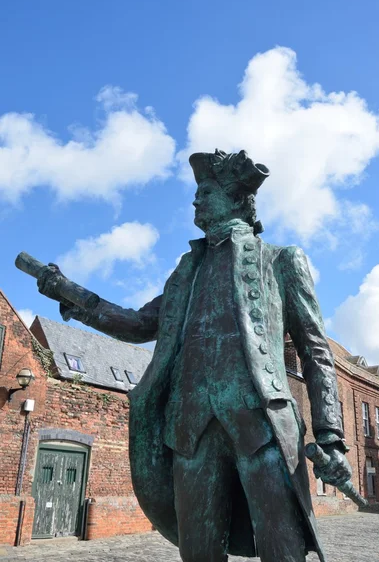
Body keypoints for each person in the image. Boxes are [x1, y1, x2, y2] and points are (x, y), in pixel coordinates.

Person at [37, 149, 351, 562]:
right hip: (189, 429)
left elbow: (315, 351)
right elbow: (136, 324)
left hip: (263, 427)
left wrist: (331, 436)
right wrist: (68, 292)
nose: (195, 201)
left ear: (236, 199)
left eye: (205, 192)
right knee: (198, 552)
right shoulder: (186, 270)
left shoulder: (280, 260)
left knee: (283, 550)